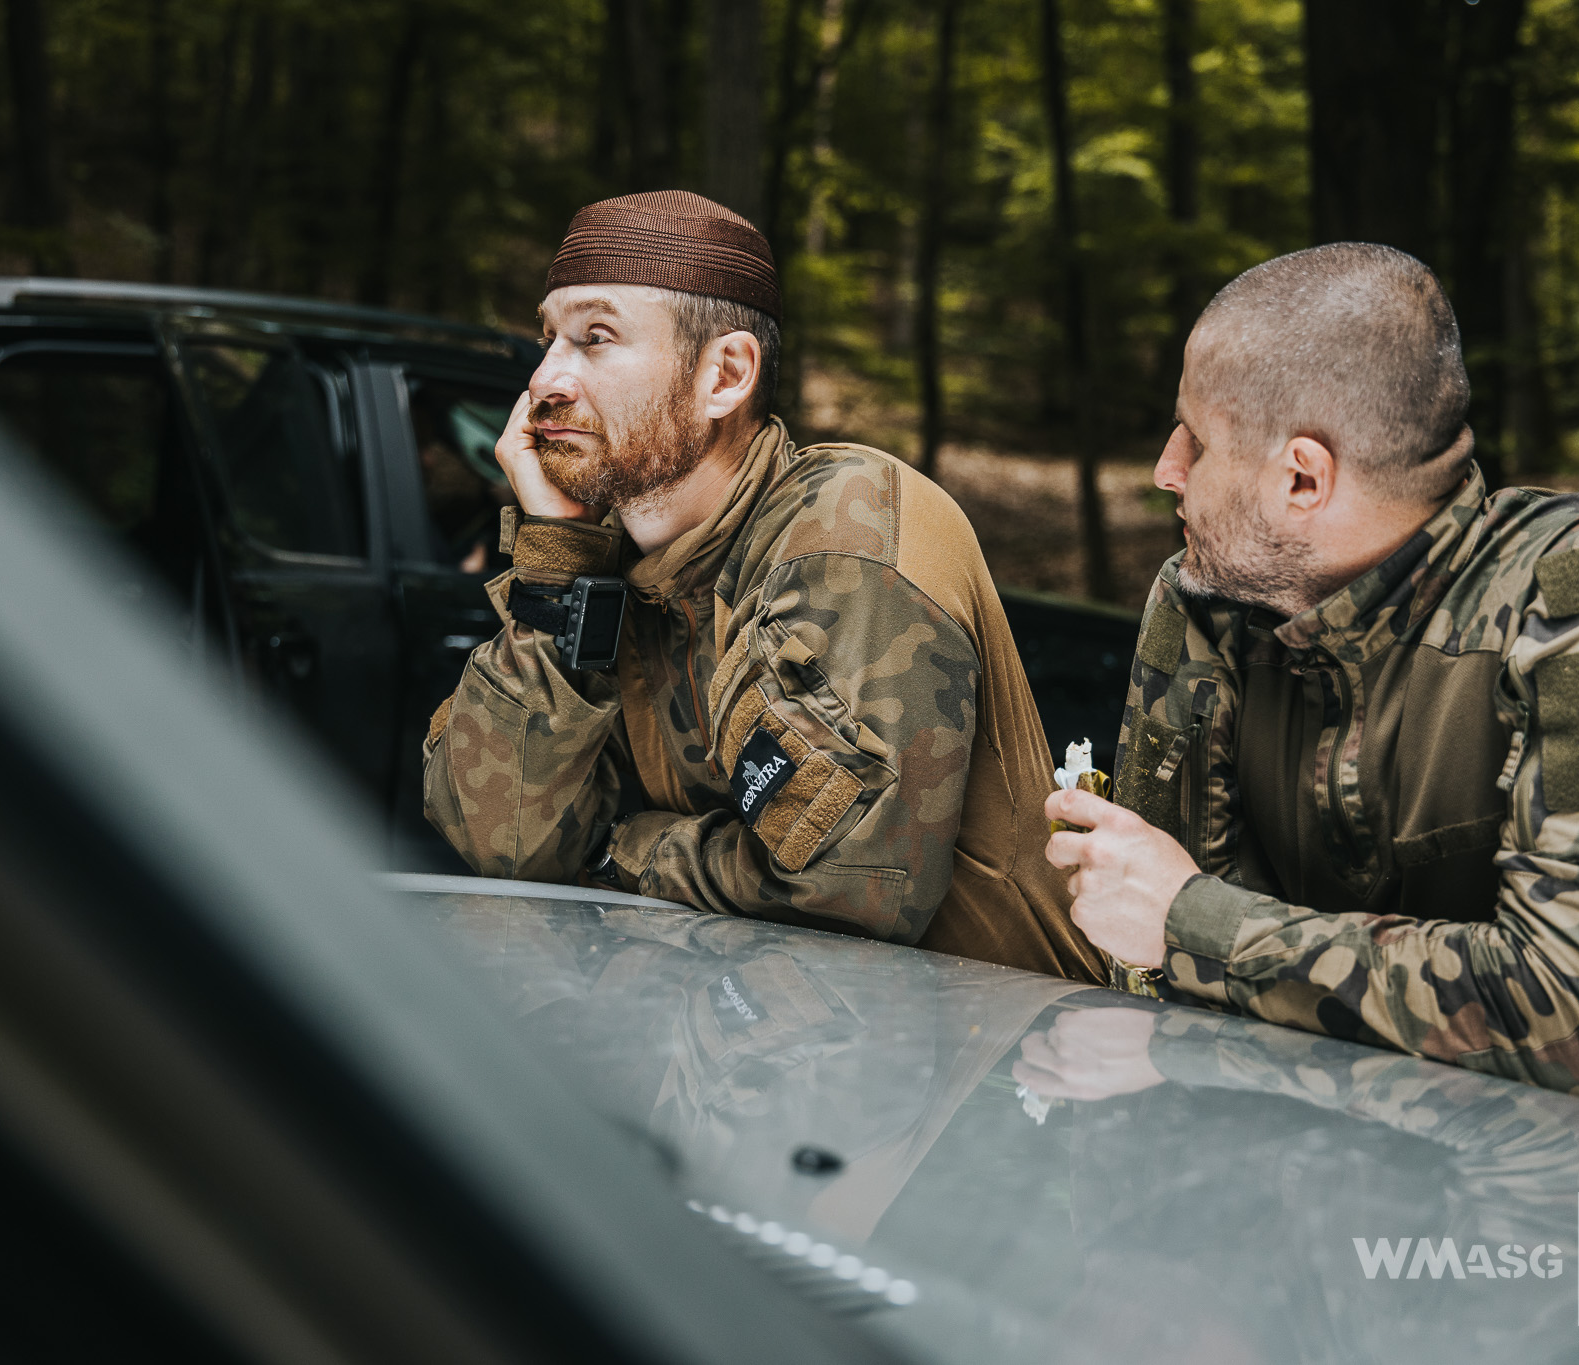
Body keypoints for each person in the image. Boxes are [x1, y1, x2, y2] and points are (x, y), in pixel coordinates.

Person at [1044, 243, 1579, 1170]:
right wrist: (1578, 1040)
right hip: (1357, 1179)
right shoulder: (1208, 604)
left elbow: (1565, 1017)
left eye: (1193, 439)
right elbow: (1172, 999)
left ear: (1301, 478)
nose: (1167, 469)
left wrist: (1193, 922)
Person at [424, 190, 1102, 983]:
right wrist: (554, 563)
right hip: (734, 1038)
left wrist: (615, 846)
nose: (543, 383)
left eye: (596, 339)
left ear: (726, 375)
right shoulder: (612, 556)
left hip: (987, 1065)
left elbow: (842, 891)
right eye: (548, 340)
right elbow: (498, 838)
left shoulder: (846, 528)